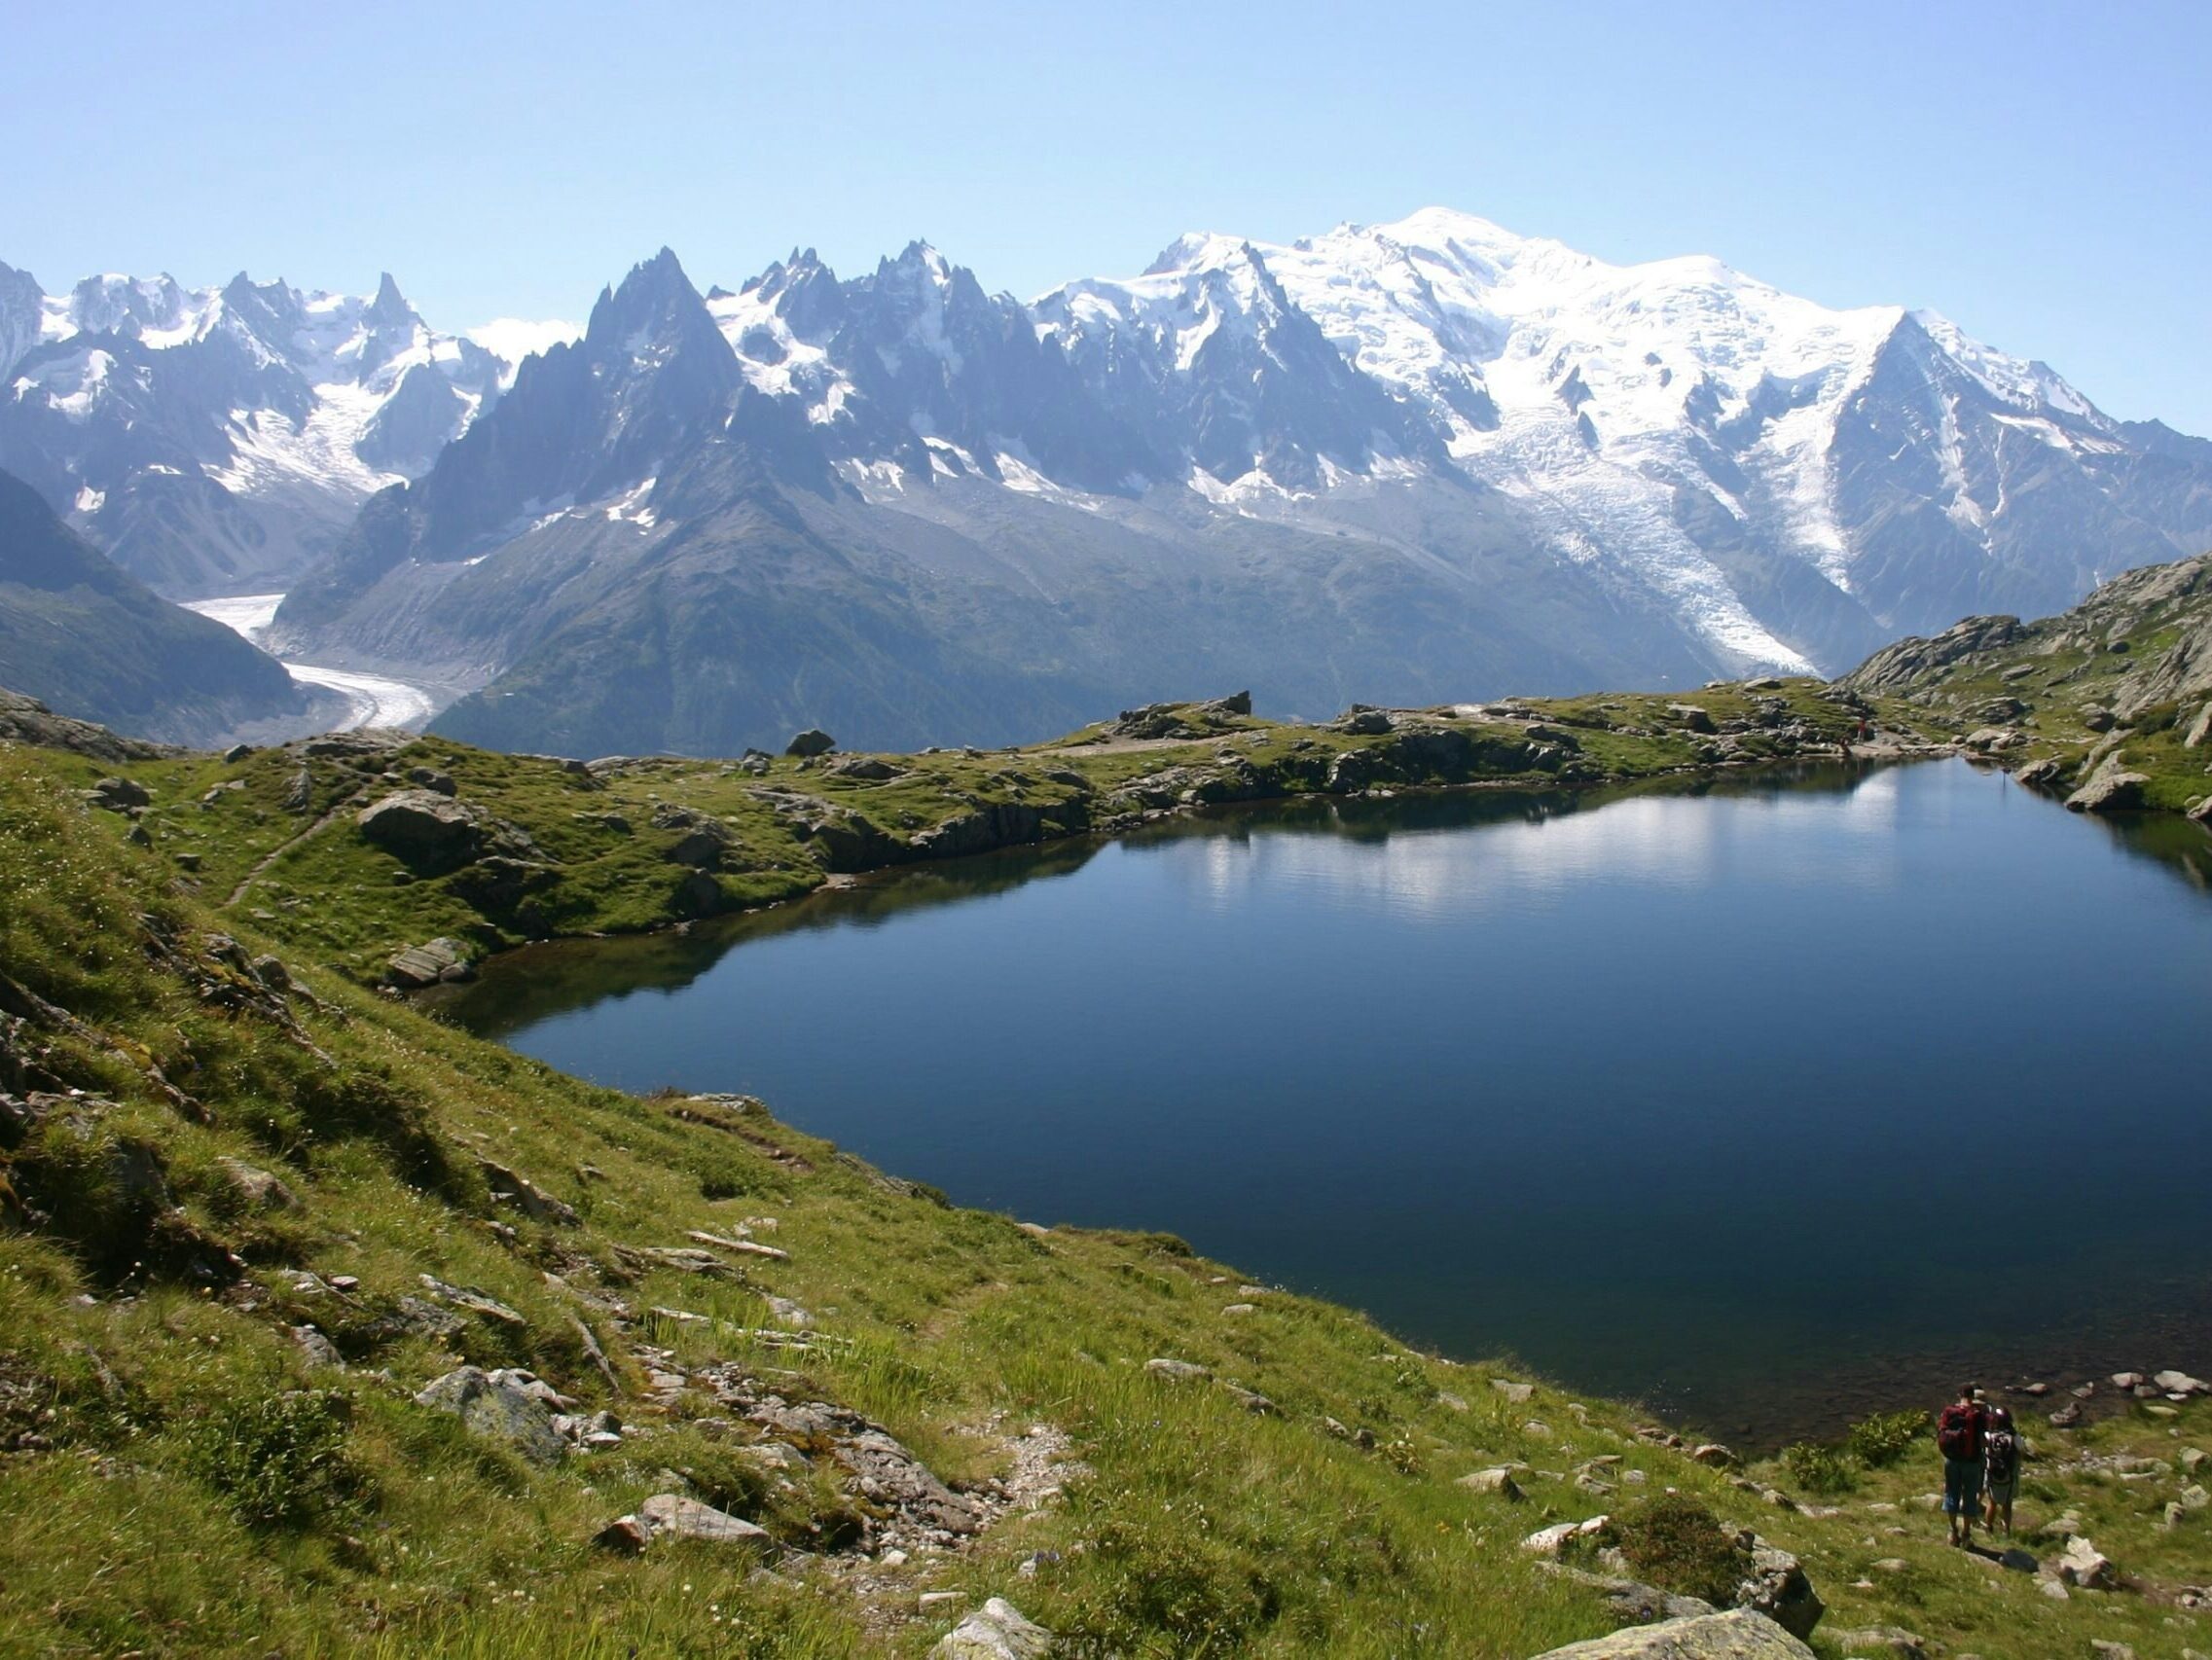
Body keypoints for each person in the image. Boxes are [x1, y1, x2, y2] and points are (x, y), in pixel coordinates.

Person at [1936, 1382, 1989, 1545]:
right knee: (1969, 1496)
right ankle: (1966, 1534)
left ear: (1959, 1396)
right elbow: (1982, 1441)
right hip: (1971, 1461)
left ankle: (1953, 1532)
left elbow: (1941, 1432)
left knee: (1952, 1493)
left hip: (1951, 1460)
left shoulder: (1949, 1411)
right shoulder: (1977, 1415)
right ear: (1973, 1397)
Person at [1982, 1405, 2021, 1536]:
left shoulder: (1989, 1436)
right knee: (2007, 1504)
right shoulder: (2014, 1436)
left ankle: (1988, 1527)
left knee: (1991, 1502)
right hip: (2009, 1475)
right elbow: (2021, 1449)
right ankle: (2006, 1530)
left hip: (1992, 1474)